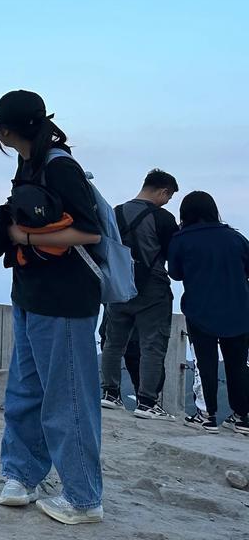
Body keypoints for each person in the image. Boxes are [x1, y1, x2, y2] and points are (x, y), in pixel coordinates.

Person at [0, 90, 104, 524]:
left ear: (8, 129)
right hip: (30, 292)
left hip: (66, 301)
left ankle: (84, 498)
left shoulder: (60, 165)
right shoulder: (30, 162)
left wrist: (26, 239)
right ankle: (21, 476)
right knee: (24, 391)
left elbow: (90, 233)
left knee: (68, 398)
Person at [167, 191, 249, 435]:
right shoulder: (235, 237)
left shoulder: (181, 240)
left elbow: (175, 273)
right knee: (238, 364)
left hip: (200, 309)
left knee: (205, 362)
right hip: (239, 310)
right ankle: (243, 417)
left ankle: (207, 415)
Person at [101, 169, 180, 419]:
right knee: (152, 345)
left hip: (119, 287)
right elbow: (172, 254)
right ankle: (147, 401)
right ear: (163, 191)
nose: (167, 201)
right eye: (168, 196)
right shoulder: (164, 218)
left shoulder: (116, 212)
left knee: (113, 342)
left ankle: (109, 393)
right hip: (152, 289)